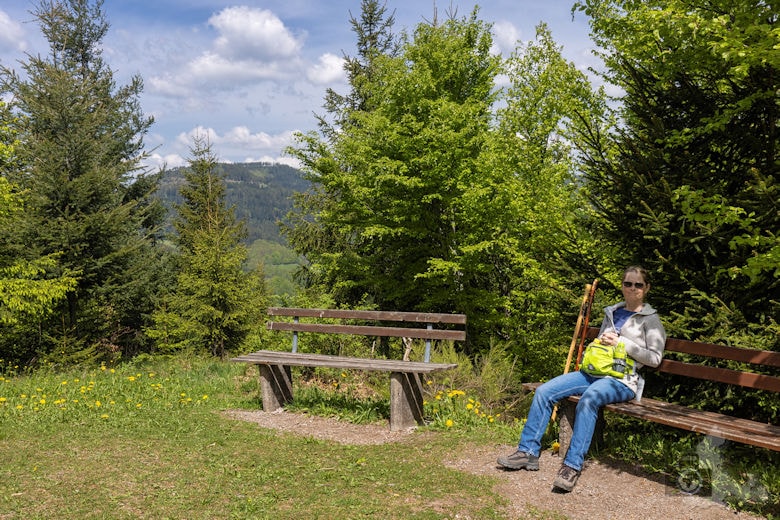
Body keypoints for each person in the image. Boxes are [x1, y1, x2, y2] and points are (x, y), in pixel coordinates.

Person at [497, 265, 666, 492]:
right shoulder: (612, 312)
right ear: (622, 286)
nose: (632, 288)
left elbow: (654, 358)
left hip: (621, 381)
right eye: (628, 283)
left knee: (589, 399)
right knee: (544, 391)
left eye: (638, 285)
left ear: (646, 288)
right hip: (592, 373)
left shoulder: (650, 320)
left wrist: (622, 344)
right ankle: (527, 452)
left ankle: (571, 466)